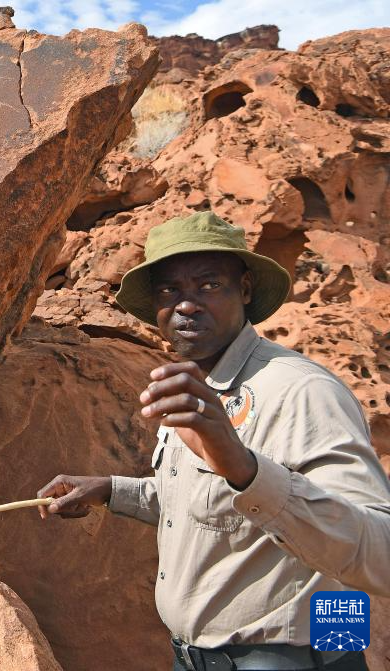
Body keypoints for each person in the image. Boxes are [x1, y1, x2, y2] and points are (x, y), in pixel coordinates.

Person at [36, 211, 390, 671]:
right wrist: (110, 490)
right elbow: (210, 505)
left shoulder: (302, 390)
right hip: (195, 659)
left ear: (245, 289)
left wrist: (244, 468)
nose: (186, 305)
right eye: (169, 291)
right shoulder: (198, 386)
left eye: (209, 285)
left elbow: (380, 554)